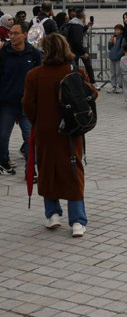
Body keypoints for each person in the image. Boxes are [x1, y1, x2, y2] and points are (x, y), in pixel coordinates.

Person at [22, 33, 98, 238]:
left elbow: (27, 105)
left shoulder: (34, 75)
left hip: (45, 131)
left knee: (47, 170)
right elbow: (93, 94)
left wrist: (39, 121)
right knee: (73, 170)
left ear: (44, 51)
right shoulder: (75, 71)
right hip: (71, 131)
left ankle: (53, 214)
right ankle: (78, 221)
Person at [0, 23, 42, 176]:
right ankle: (3, 162)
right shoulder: (3, 54)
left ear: (25, 35)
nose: (11, 36)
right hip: (7, 103)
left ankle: (31, 169)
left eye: (15, 33)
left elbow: (40, 78)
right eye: (10, 33)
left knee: (30, 137)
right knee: (3, 137)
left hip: (27, 104)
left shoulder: (34, 54)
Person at [106, 24, 126, 94]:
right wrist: (110, 42)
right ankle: (113, 86)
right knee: (112, 73)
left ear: (121, 30)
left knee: (118, 73)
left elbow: (122, 49)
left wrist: (118, 56)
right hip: (112, 57)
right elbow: (109, 47)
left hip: (118, 58)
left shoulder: (123, 39)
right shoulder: (114, 37)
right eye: (115, 29)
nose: (116, 31)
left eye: (118, 29)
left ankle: (120, 86)